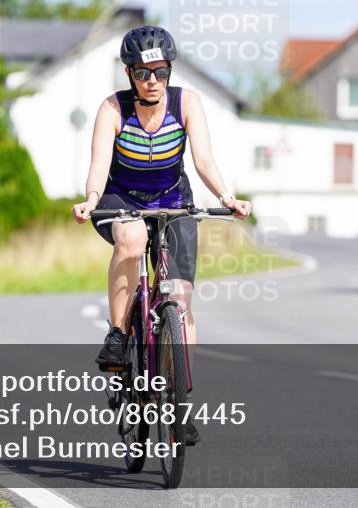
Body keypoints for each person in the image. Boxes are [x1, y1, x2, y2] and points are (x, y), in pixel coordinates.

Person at [72, 25, 251, 443]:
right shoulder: (112, 109)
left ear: (169, 70)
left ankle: (179, 403)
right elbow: (99, 165)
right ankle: (119, 336)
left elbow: (203, 159)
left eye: (160, 72)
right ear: (129, 74)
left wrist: (226, 196)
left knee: (181, 301)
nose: (152, 80)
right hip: (120, 197)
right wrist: (91, 198)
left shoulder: (187, 102)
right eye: (142, 72)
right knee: (132, 241)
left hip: (173, 199)